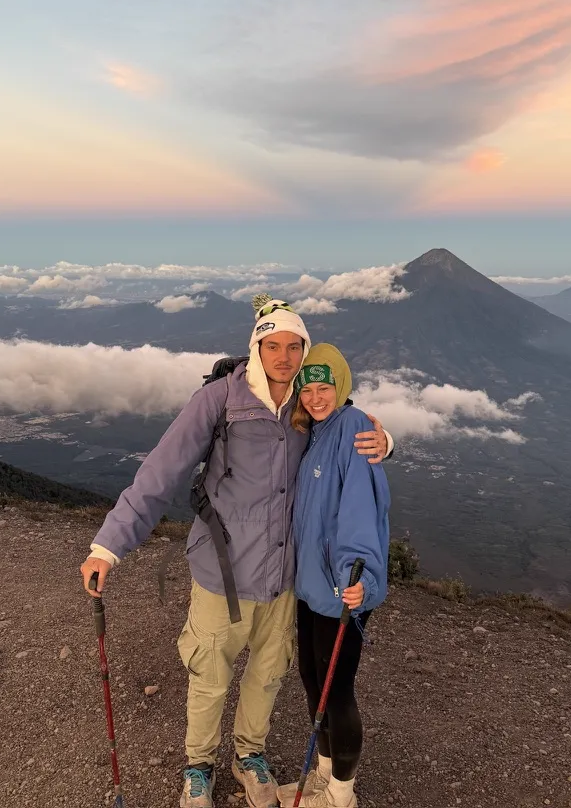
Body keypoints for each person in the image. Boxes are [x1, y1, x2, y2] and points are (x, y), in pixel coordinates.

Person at [79, 297, 393, 808]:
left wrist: (386, 442)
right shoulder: (219, 401)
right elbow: (160, 475)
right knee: (209, 675)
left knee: (267, 676)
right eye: (274, 345)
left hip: (284, 577)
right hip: (220, 573)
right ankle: (198, 766)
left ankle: (250, 756)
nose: (285, 357)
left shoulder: (305, 405)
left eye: (295, 346)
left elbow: (345, 430)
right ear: (256, 347)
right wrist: (106, 547)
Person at [277, 344, 390, 808]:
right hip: (311, 587)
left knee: (336, 690)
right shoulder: (316, 430)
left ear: (341, 388)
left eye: (326, 388)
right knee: (311, 678)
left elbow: (360, 513)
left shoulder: (356, 429)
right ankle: (323, 778)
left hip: (342, 589)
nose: (316, 397)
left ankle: (341, 795)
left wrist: (355, 576)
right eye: (309, 387)